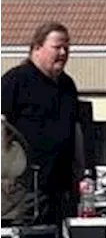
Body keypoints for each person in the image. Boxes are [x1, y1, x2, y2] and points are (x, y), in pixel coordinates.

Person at [0, 22, 85, 226]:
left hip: (61, 187)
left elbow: (75, 132)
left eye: (67, 48)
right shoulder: (16, 80)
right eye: (57, 47)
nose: (63, 53)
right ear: (37, 48)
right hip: (24, 190)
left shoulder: (67, 85)